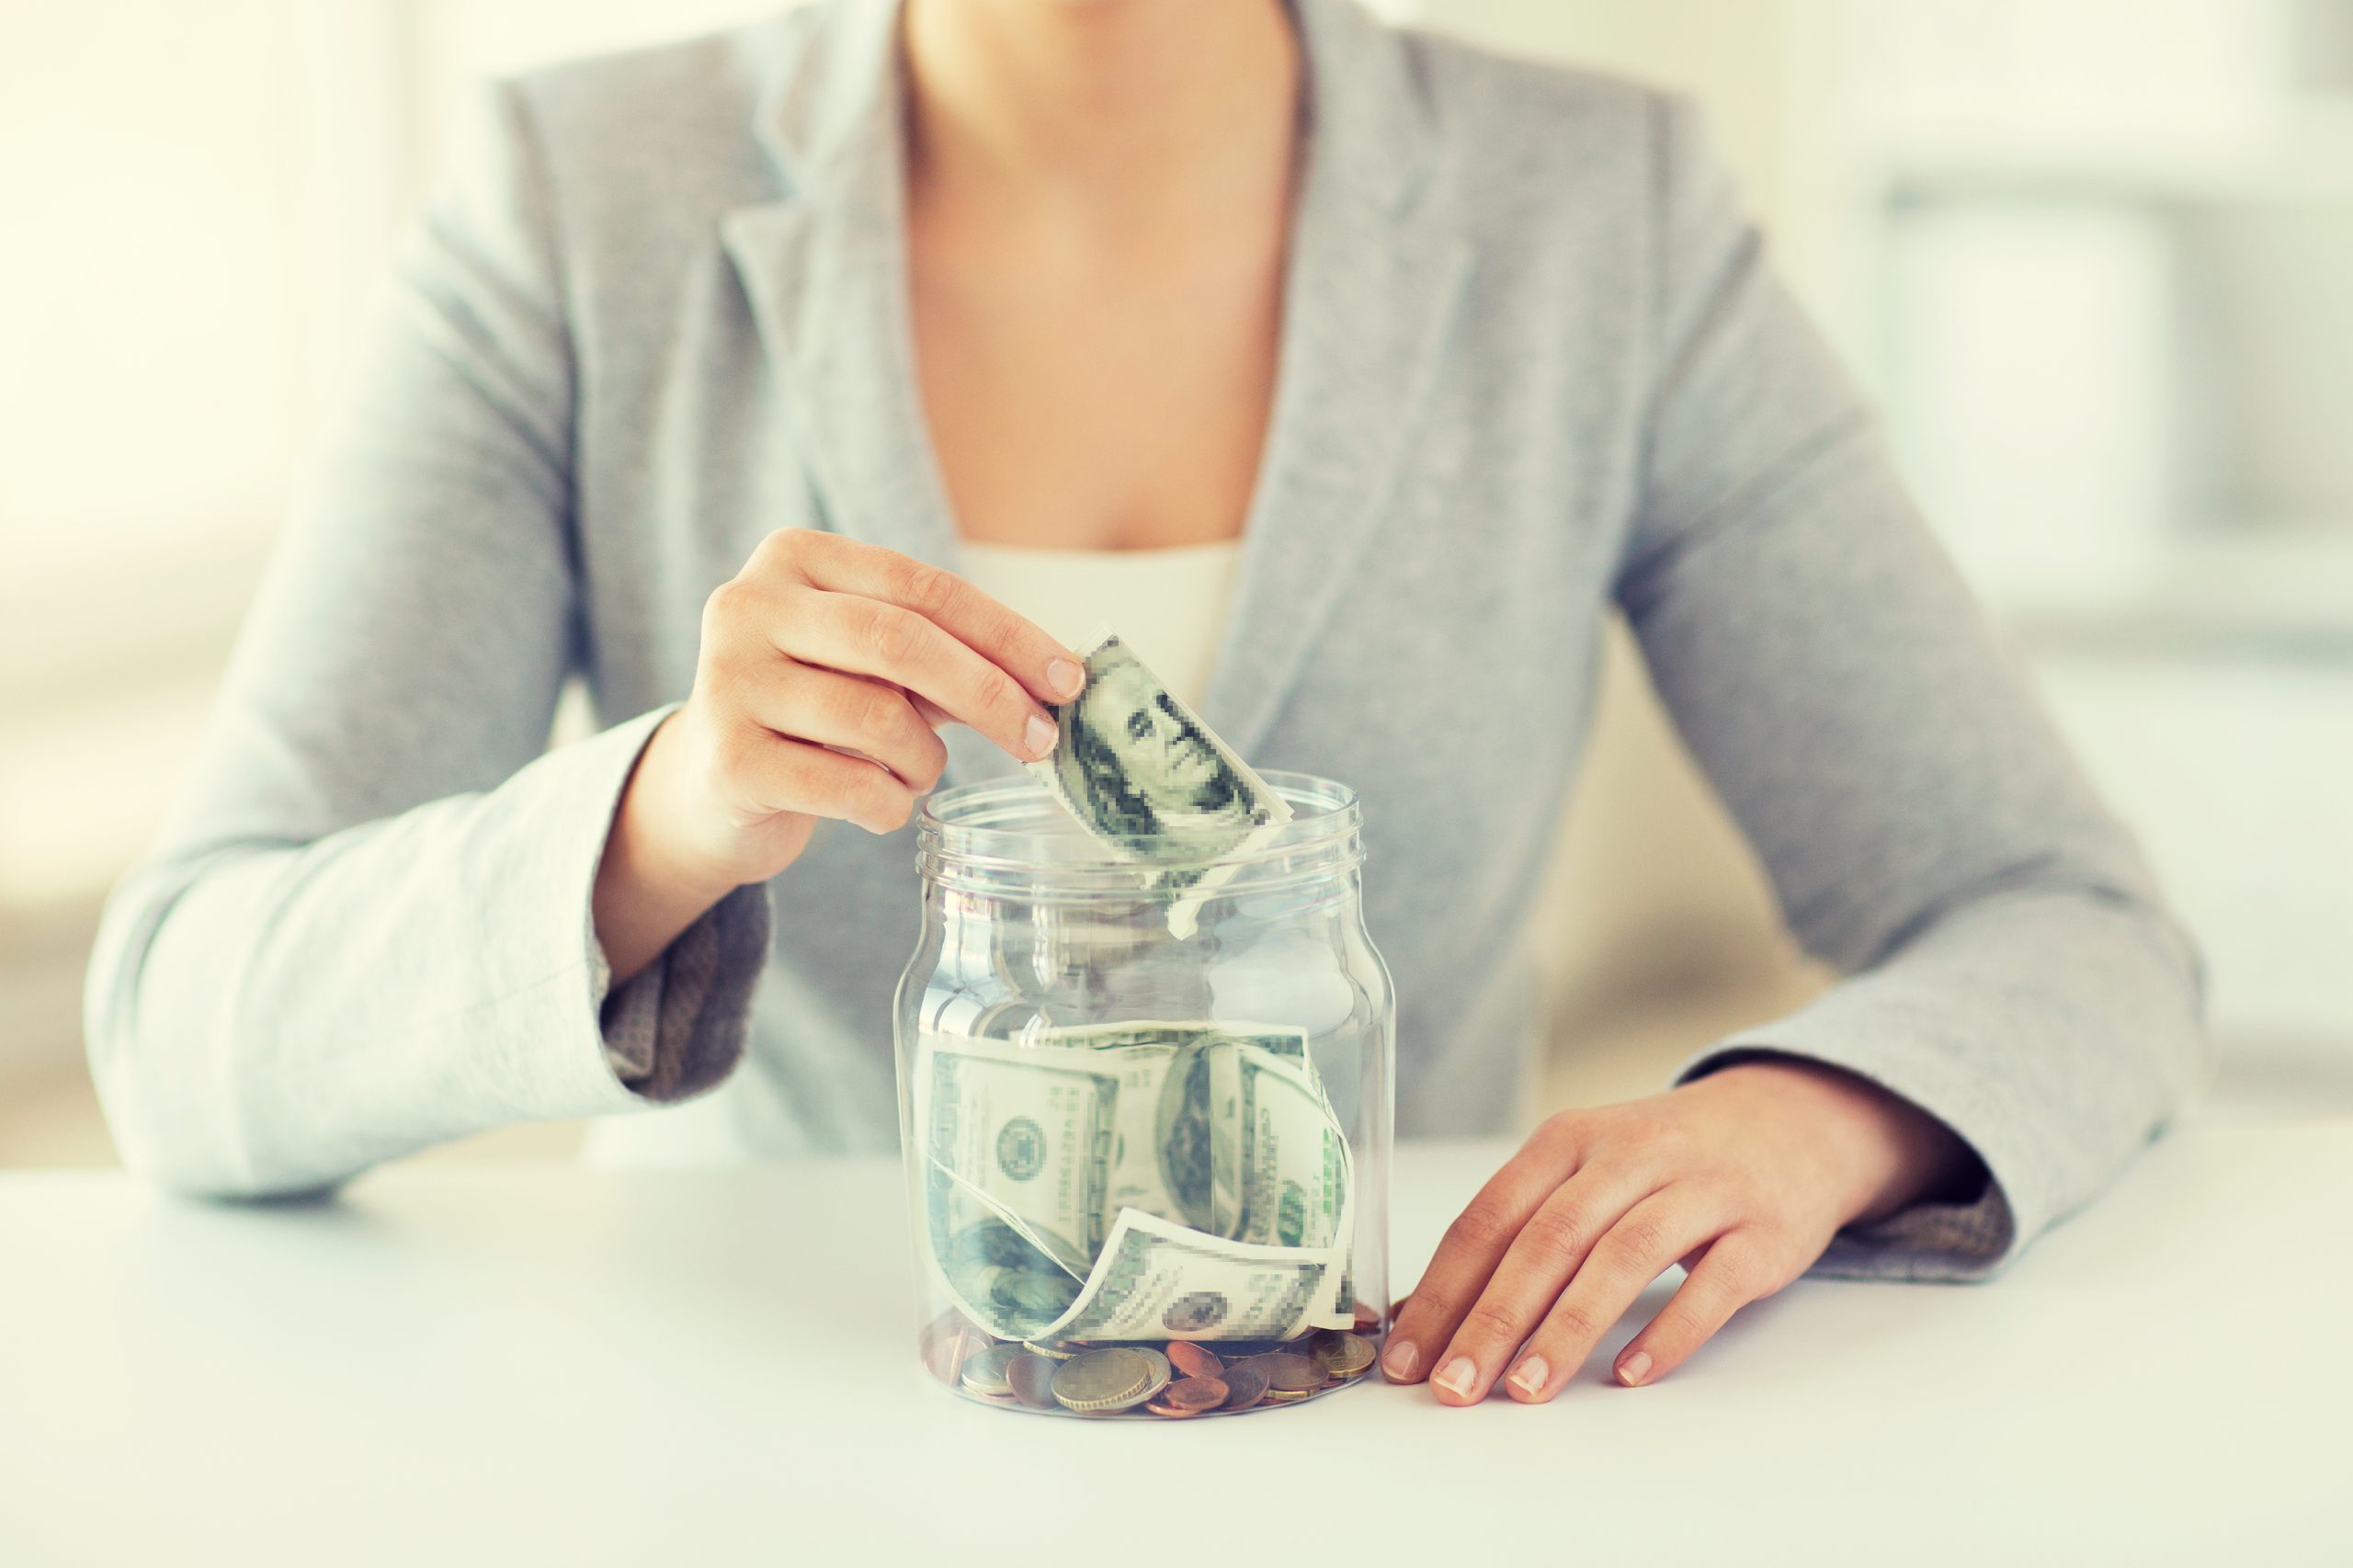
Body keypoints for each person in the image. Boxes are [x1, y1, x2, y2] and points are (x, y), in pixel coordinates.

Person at [85, 0, 2206, 1408]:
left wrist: (1802, 1121)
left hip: (1387, 1440)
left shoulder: (1603, 219)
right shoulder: (571, 202)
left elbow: (2064, 917)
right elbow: (178, 1030)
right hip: (764, 1450)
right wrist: (659, 819)